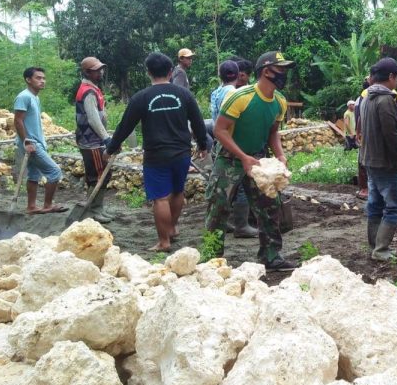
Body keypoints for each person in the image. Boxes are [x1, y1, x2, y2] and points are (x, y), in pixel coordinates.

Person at [105, 52, 208, 252]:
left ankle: (164, 241)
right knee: (178, 191)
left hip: (156, 156)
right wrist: (203, 144)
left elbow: (125, 126)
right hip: (182, 153)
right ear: (170, 71)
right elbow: (198, 122)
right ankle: (172, 228)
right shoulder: (184, 94)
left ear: (148, 72)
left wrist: (111, 147)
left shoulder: (141, 97)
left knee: (160, 198)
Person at [211, 51, 297, 272]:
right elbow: (220, 130)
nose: (284, 74)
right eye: (281, 69)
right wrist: (242, 157)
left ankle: (271, 256)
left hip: (258, 160)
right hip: (229, 160)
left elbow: (273, 132)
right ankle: (211, 258)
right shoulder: (241, 97)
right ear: (267, 71)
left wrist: (280, 155)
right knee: (218, 208)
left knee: (270, 206)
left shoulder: (279, 101)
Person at [359, 57, 397, 261]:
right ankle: (380, 250)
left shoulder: (367, 98)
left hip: (369, 160)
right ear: (390, 76)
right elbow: (391, 136)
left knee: (376, 203)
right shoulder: (386, 100)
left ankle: (374, 246)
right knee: (396, 206)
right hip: (385, 162)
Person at [204, 58, 259, 240]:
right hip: (234, 144)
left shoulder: (216, 92)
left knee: (222, 188)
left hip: (220, 144)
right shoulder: (236, 94)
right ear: (238, 75)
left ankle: (223, 221)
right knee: (240, 187)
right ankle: (242, 225)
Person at [13, 67, 67, 214]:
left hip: (36, 142)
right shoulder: (24, 97)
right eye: (38, 78)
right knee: (54, 171)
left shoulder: (35, 97)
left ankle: (31, 207)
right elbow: (18, 121)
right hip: (31, 144)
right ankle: (48, 205)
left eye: (43, 78)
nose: (42, 81)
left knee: (34, 175)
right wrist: (27, 141)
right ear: (28, 80)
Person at [74, 56, 114, 223]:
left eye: (101, 69)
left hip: (93, 140)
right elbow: (92, 119)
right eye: (97, 70)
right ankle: (94, 210)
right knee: (97, 176)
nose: (101, 72)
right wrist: (106, 138)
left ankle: (98, 207)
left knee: (103, 174)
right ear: (87, 72)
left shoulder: (91, 88)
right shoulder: (88, 92)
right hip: (91, 141)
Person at [354, 77, 371, 200]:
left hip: (364, 134)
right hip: (368, 135)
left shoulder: (360, 98)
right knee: (364, 163)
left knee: (363, 162)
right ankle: (365, 189)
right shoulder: (366, 96)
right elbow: (360, 117)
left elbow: (359, 118)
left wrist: (358, 132)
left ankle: (364, 188)